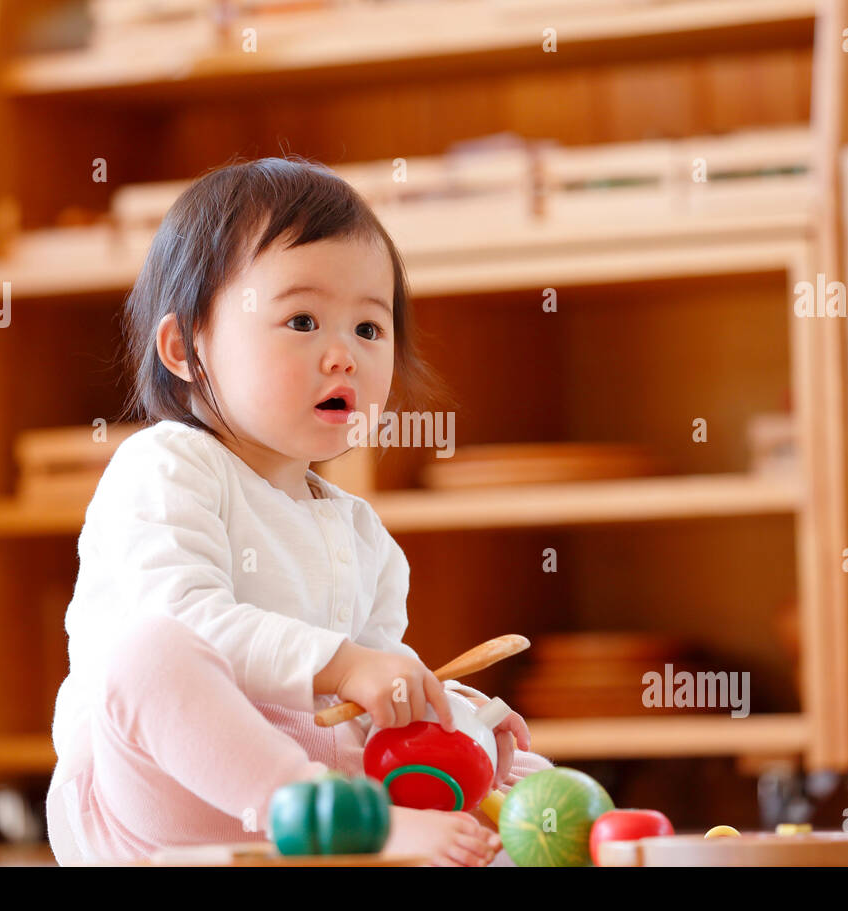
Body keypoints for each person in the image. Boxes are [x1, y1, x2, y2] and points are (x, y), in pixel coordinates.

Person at [45, 156, 554, 867]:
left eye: (369, 330)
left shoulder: (360, 530)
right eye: (304, 320)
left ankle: (516, 829)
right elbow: (192, 624)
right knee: (148, 653)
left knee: (524, 775)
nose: (342, 355)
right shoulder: (166, 466)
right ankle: (343, 822)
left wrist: (453, 716)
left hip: (296, 795)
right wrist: (346, 666)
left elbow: (374, 689)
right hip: (151, 806)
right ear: (184, 349)